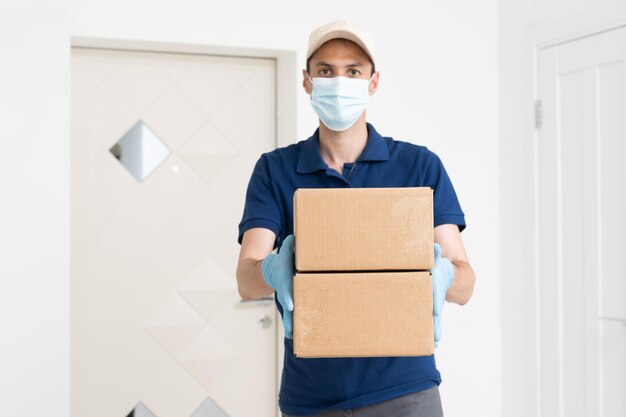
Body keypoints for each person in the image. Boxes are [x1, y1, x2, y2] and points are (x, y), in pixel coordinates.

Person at [236, 19, 476, 417]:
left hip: (406, 393)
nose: (338, 81)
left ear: (373, 82)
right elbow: (246, 281)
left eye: (353, 71)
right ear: (307, 81)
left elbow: (465, 284)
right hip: (311, 397)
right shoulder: (275, 170)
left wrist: (445, 274)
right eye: (326, 71)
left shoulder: (419, 166)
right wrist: (272, 270)